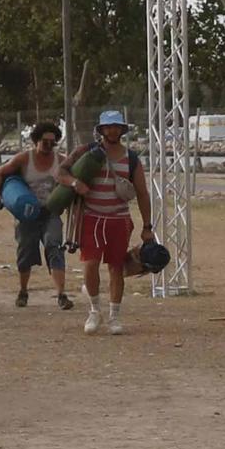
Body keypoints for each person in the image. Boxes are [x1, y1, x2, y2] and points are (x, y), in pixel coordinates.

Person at [63, 111, 152, 336]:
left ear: (122, 130)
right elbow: (60, 172)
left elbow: (142, 193)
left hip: (119, 219)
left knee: (116, 267)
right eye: (108, 127)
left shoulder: (131, 159)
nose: (112, 131)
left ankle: (114, 315)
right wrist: (75, 183)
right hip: (91, 218)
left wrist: (147, 226)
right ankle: (94, 310)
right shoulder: (85, 152)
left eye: (117, 127)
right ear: (101, 129)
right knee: (90, 264)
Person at [0, 123, 73, 310]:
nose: (48, 146)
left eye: (53, 143)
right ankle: (23, 290)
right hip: (27, 214)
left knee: (55, 247)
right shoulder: (24, 159)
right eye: (45, 142)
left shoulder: (62, 161)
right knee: (26, 251)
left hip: (50, 212)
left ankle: (61, 294)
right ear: (36, 140)